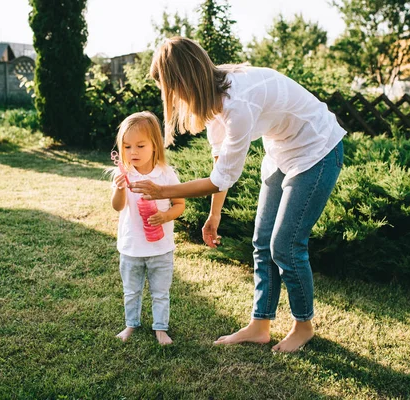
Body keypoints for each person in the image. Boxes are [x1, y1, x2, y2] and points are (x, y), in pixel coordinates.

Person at [130, 37, 345, 352]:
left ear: (183, 81)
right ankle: (260, 325)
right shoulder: (214, 100)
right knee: (262, 242)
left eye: (170, 88)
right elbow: (221, 165)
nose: (172, 97)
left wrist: (163, 190)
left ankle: (303, 325)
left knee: (285, 245)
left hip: (318, 150)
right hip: (283, 152)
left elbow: (220, 178)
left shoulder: (237, 101)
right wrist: (214, 214)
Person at [110, 111, 185, 345]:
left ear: (155, 145)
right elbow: (117, 207)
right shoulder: (123, 174)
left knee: (160, 292)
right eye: (127, 146)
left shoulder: (165, 174)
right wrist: (119, 188)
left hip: (161, 248)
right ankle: (131, 324)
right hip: (131, 247)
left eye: (140, 145)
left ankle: (160, 328)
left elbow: (180, 204)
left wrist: (165, 216)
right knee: (131, 291)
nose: (133, 152)